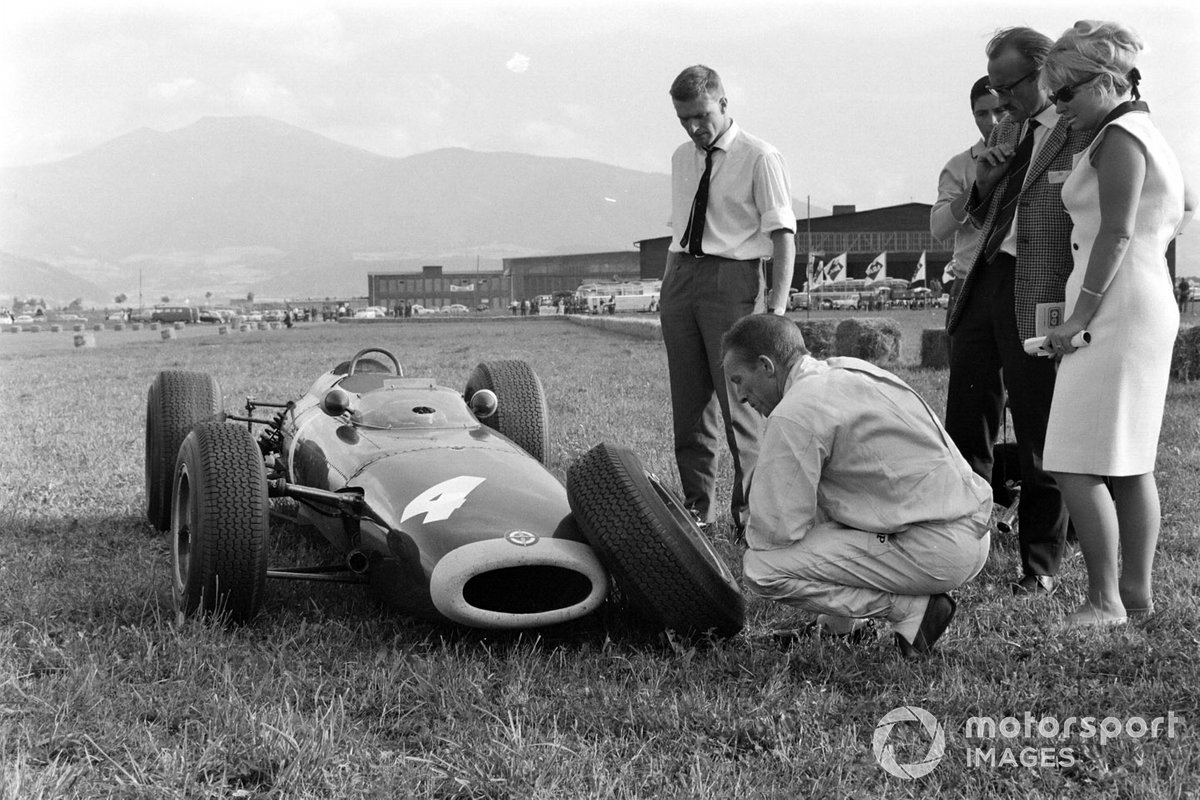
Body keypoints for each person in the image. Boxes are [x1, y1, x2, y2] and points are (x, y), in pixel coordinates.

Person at [1039, 21, 1195, 627]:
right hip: (1143, 297)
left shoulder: (1118, 136)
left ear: (1104, 82)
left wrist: (1078, 316)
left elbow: (1117, 230)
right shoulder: (1146, 129)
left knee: (1072, 459)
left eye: (1066, 94)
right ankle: (1135, 598)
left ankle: (1103, 601)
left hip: (1116, 306)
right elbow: (1183, 209)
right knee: (1129, 462)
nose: (1059, 107)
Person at [722, 314, 992, 656]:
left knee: (762, 568)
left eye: (739, 380)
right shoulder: (849, 371)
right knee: (818, 494)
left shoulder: (795, 412)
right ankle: (840, 628)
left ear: (766, 366)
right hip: (965, 532)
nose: (742, 396)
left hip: (936, 548)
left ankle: (912, 611)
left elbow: (775, 534)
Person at [944, 27, 1096, 598]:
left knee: (1038, 431)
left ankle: (1040, 565)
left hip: (1043, 289)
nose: (1000, 101)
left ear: (1043, 70)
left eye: (1008, 87)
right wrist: (983, 181)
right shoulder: (1009, 129)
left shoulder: (1082, 128)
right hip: (985, 280)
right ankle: (960, 551)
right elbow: (980, 213)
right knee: (967, 425)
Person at [662, 64, 796, 536]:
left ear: (723, 103)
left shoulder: (760, 156)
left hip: (733, 280)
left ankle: (752, 518)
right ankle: (698, 509)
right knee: (690, 403)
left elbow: (783, 237)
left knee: (742, 405)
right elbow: (682, 227)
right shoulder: (682, 157)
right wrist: (671, 282)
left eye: (701, 115)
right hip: (681, 276)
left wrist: (776, 314)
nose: (695, 127)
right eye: (684, 119)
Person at [930, 76, 1004, 317]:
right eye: (982, 114)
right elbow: (939, 228)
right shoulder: (959, 166)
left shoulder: (1034, 155)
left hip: (1020, 278)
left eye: (999, 110)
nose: (992, 122)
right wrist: (978, 187)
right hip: (970, 282)